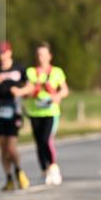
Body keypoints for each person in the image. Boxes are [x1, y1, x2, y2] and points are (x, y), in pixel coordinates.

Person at [0, 40, 31, 191]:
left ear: (10, 52)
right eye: (0, 53)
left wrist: (20, 92)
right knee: (3, 147)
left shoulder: (19, 68)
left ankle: (18, 169)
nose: (2, 56)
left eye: (4, 52)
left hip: (14, 110)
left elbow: (30, 86)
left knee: (11, 146)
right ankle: (9, 177)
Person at [25, 42, 68, 186]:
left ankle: (53, 167)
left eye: (43, 54)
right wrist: (30, 91)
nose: (40, 57)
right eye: (38, 54)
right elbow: (26, 90)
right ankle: (44, 170)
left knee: (46, 139)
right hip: (35, 111)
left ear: (49, 56)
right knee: (38, 142)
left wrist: (58, 96)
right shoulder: (31, 72)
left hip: (51, 111)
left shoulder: (57, 72)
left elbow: (65, 90)